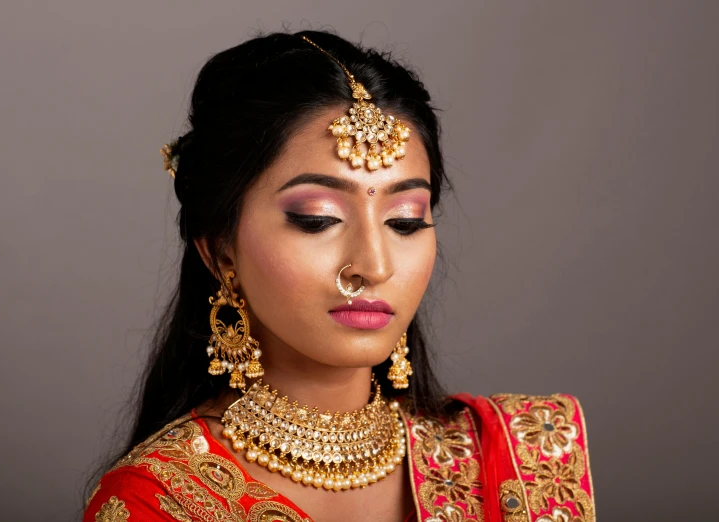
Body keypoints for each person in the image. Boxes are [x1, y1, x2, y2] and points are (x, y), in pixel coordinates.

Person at [83, 30, 595, 522]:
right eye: (318, 219)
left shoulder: (517, 455)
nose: (374, 266)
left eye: (405, 221)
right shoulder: (160, 502)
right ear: (220, 251)